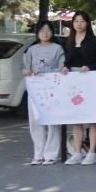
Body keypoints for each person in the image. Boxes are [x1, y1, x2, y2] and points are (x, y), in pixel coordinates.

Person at [61, 11, 96, 165]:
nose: (79, 24)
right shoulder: (68, 41)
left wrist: (89, 67)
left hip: (90, 81)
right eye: (76, 21)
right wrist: (65, 67)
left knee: (92, 118)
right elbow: (66, 60)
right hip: (73, 83)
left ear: (87, 23)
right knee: (76, 118)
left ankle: (92, 152)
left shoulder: (94, 41)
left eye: (82, 21)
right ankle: (77, 152)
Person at [22, 21, 64, 165]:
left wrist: (47, 72)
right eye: (42, 30)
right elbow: (24, 69)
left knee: (53, 121)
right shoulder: (31, 50)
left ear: (52, 32)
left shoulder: (58, 48)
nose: (45, 33)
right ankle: (38, 153)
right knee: (35, 121)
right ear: (37, 33)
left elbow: (62, 68)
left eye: (48, 30)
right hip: (35, 90)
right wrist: (28, 71)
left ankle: (51, 154)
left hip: (52, 90)